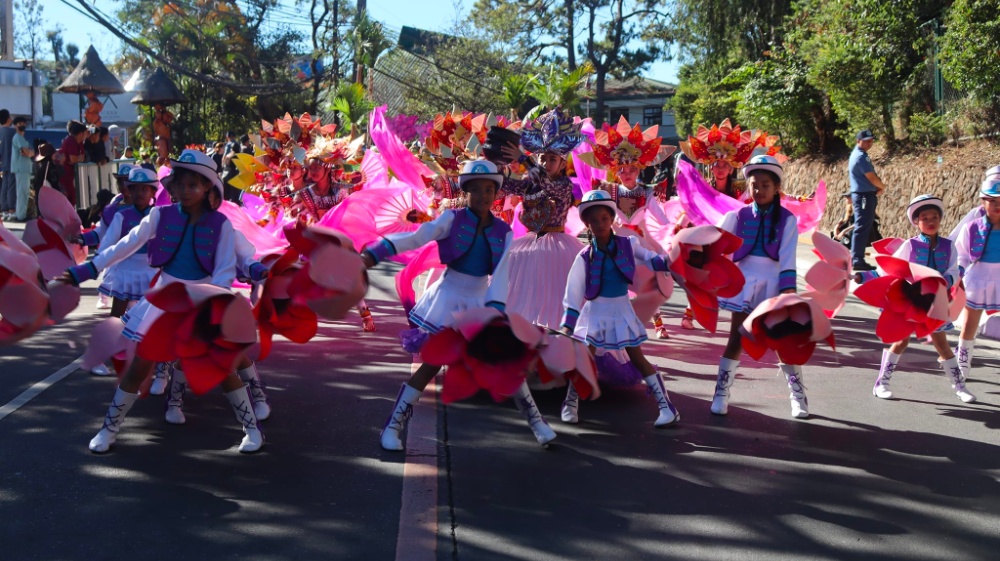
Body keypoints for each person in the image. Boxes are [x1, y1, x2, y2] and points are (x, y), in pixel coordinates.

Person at [59, 149, 263, 454]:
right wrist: (86, 269)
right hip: (163, 299)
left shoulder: (220, 225)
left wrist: (216, 305)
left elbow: (223, 272)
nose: (185, 191)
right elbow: (126, 244)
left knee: (221, 369)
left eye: (193, 184)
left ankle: (252, 430)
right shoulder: (160, 215)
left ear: (208, 186)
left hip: (204, 300)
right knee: (139, 367)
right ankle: (108, 429)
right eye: (180, 184)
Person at [362, 159, 557, 451]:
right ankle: (393, 426)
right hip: (448, 298)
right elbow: (417, 237)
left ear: (496, 193)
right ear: (465, 191)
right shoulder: (451, 219)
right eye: (475, 189)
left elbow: (501, 275)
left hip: (482, 302)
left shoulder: (504, 231)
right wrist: (374, 254)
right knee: (430, 365)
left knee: (506, 363)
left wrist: (493, 313)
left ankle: (538, 423)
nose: (482, 195)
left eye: (489, 189)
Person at [559, 189, 680, 427]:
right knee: (585, 358)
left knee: (637, 358)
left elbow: (652, 259)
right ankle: (570, 403)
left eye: (604, 218)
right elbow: (572, 293)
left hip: (621, 310)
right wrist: (567, 325)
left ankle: (666, 407)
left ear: (612, 218)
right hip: (595, 312)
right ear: (587, 224)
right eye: (594, 220)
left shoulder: (629, 243)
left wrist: (674, 255)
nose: (600, 224)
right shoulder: (584, 256)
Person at [710, 155, 805, 418]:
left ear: (776, 188)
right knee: (736, 338)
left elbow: (788, 256)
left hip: (774, 284)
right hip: (743, 283)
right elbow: (714, 241)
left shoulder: (787, 220)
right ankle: (721, 394)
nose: (759, 190)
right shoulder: (737, 216)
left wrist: (787, 292)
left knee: (781, 342)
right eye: (754, 184)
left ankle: (798, 397)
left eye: (765, 185)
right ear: (747, 187)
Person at [856, 195, 974, 402]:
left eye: (934, 217)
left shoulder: (949, 246)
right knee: (901, 341)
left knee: (942, 345)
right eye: (925, 218)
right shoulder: (910, 246)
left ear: (940, 219)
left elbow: (955, 270)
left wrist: (946, 279)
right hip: (910, 302)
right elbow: (888, 270)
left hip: (935, 303)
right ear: (916, 222)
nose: (930, 221)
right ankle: (881, 383)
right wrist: (863, 276)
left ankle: (960, 387)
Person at [497, 108, 585, 330]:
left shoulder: (564, 185)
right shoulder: (529, 183)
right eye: (542, 158)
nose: (546, 163)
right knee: (522, 296)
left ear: (563, 164)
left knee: (555, 297)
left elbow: (548, 186)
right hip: (529, 244)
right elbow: (506, 185)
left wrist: (525, 162)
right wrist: (497, 165)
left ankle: (558, 342)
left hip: (558, 247)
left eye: (552, 159)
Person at [953, 177, 1000, 389]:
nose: (997, 205)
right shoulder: (972, 227)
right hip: (978, 278)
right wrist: (959, 273)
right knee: (970, 323)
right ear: (982, 202)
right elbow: (962, 253)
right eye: (992, 200)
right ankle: (962, 363)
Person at [848, 130, 886, 271]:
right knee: (862, 226)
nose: (869, 143)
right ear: (858, 140)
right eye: (866, 140)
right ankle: (857, 259)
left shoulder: (859, 155)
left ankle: (857, 258)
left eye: (871, 140)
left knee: (863, 226)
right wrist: (882, 186)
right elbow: (870, 176)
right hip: (864, 196)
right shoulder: (860, 157)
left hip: (864, 194)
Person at [56, 120, 89, 207]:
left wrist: (76, 159)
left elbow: (81, 157)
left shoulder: (80, 143)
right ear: (81, 133)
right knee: (67, 197)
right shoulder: (70, 141)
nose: (87, 134)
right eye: (85, 132)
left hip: (70, 174)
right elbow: (73, 159)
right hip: (64, 174)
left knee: (72, 198)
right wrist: (76, 159)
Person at [9, 116, 34, 222]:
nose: (21, 125)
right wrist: (29, 152)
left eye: (23, 123)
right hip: (21, 169)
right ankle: (21, 216)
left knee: (23, 192)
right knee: (22, 193)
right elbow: (27, 152)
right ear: (15, 125)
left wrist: (29, 152)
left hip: (24, 169)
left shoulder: (22, 138)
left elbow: (30, 152)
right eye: (19, 124)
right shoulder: (18, 137)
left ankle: (21, 214)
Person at [0, 109, 15, 220]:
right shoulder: (12, 132)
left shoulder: (1, 132)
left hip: (3, 163)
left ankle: (4, 209)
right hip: (12, 163)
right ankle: (11, 209)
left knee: (4, 187)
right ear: (8, 118)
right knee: (11, 187)